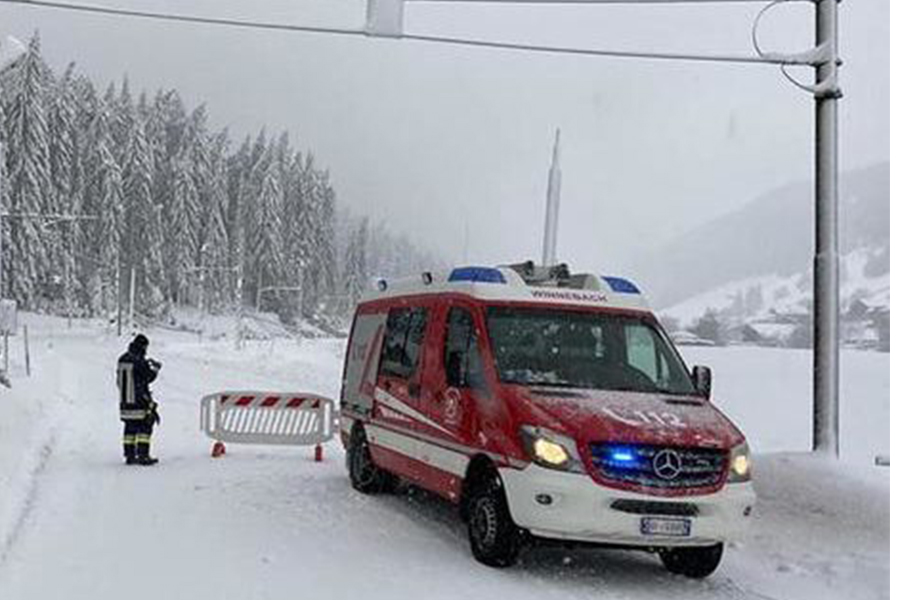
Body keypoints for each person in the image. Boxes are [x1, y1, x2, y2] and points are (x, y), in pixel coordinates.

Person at [117, 334, 162, 465]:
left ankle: (129, 455)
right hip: (138, 401)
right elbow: (148, 377)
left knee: (129, 428)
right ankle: (143, 455)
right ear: (143, 346)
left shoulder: (122, 359)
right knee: (145, 426)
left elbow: (120, 380)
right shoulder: (139, 360)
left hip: (125, 401)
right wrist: (155, 369)